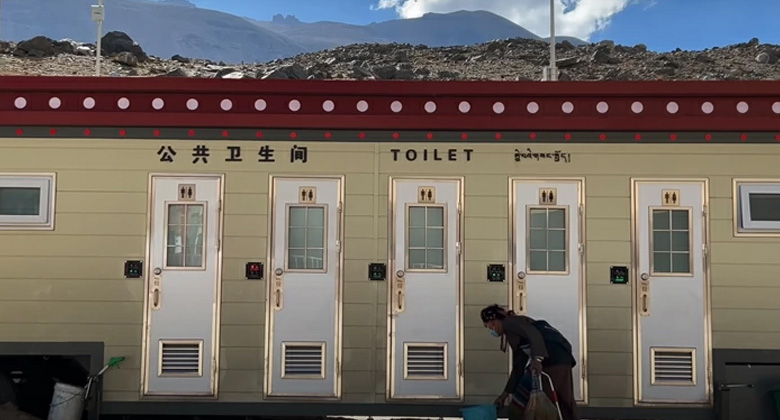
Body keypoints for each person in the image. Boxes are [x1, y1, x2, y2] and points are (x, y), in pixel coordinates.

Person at [480, 304, 580, 420]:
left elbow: (533, 334)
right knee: (563, 399)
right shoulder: (515, 331)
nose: (491, 329)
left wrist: (537, 359)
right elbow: (518, 367)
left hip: (553, 356)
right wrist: (504, 395)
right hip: (559, 355)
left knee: (552, 400)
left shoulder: (509, 322)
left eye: (489, 326)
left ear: (494, 321)